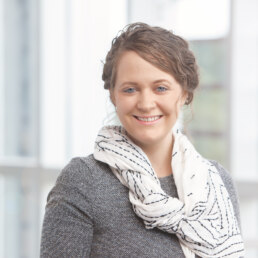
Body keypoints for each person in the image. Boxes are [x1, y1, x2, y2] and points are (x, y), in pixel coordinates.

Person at [40, 23, 244, 257]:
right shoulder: (83, 182)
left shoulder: (216, 183)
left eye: (160, 88)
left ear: (184, 93)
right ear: (113, 95)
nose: (146, 104)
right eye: (130, 90)